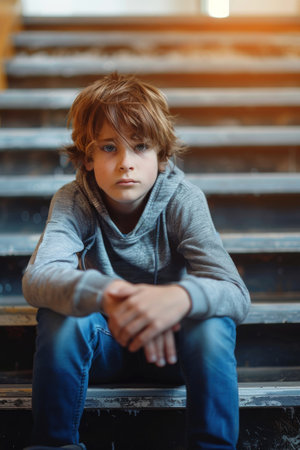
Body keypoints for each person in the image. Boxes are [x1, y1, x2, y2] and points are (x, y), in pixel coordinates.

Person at [22, 72, 250, 450]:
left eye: (140, 146)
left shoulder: (183, 199)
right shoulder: (73, 199)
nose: (126, 162)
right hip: (104, 347)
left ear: (161, 157)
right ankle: (53, 444)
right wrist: (109, 291)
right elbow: (38, 278)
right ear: (88, 157)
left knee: (212, 321)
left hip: (171, 351)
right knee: (59, 312)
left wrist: (180, 298)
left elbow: (234, 293)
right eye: (109, 147)